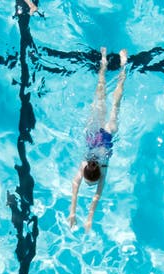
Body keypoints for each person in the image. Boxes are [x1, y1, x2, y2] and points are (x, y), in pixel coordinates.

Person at [68, 48, 129, 231]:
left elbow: (96, 197)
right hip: (93, 134)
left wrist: (86, 217)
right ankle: (104, 61)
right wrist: (74, 213)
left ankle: (123, 66)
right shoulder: (85, 164)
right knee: (100, 97)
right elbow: (75, 189)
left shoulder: (102, 170)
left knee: (115, 105)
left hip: (109, 134)